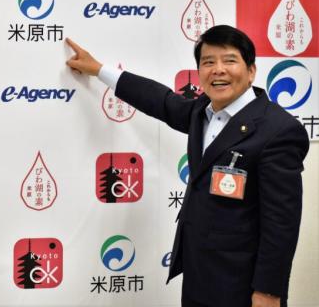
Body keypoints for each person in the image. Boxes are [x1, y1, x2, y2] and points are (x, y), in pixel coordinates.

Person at [65, 25, 309, 307]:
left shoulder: (277, 130)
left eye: (229, 60)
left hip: (241, 285)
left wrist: (268, 293)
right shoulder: (202, 111)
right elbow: (160, 100)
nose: (218, 70)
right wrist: (99, 70)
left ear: (251, 70)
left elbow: (281, 224)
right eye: (208, 62)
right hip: (198, 274)